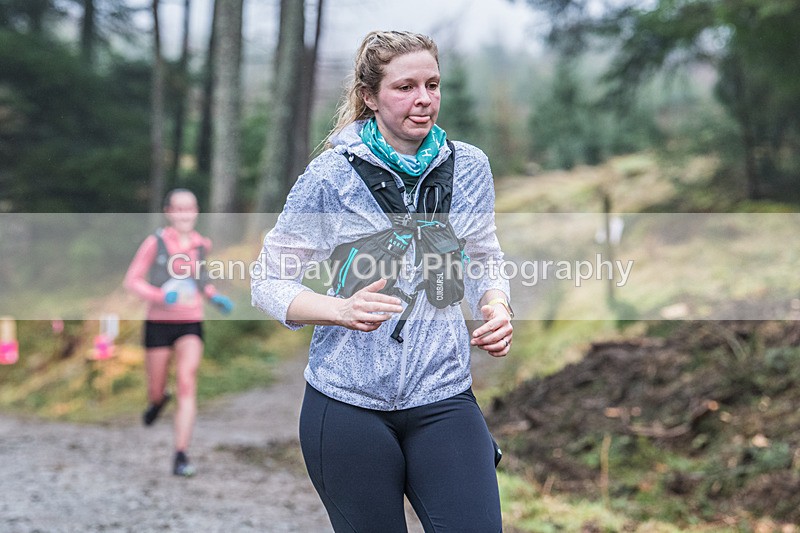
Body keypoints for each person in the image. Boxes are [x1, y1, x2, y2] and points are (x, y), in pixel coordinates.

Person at [252, 30, 512, 531]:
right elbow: (267, 280)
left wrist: (497, 306)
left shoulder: (470, 166)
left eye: (432, 85)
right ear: (369, 96)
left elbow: (484, 257)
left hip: (444, 398)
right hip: (346, 406)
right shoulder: (331, 175)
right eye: (405, 87)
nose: (424, 99)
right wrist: (338, 310)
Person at [125, 188, 233, 477]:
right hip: (158, 324)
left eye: (191, 208)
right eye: (179, 208)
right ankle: (158, 401)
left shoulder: (201, 245)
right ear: (169, 212)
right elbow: (132, 281)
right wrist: (160, 296)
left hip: (190, 323)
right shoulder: (155, 243)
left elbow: (201, 280)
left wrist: (214, 297)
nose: (185, 214)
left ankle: (181, 454)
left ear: (197, 211)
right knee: (156, 389)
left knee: (187, 382)